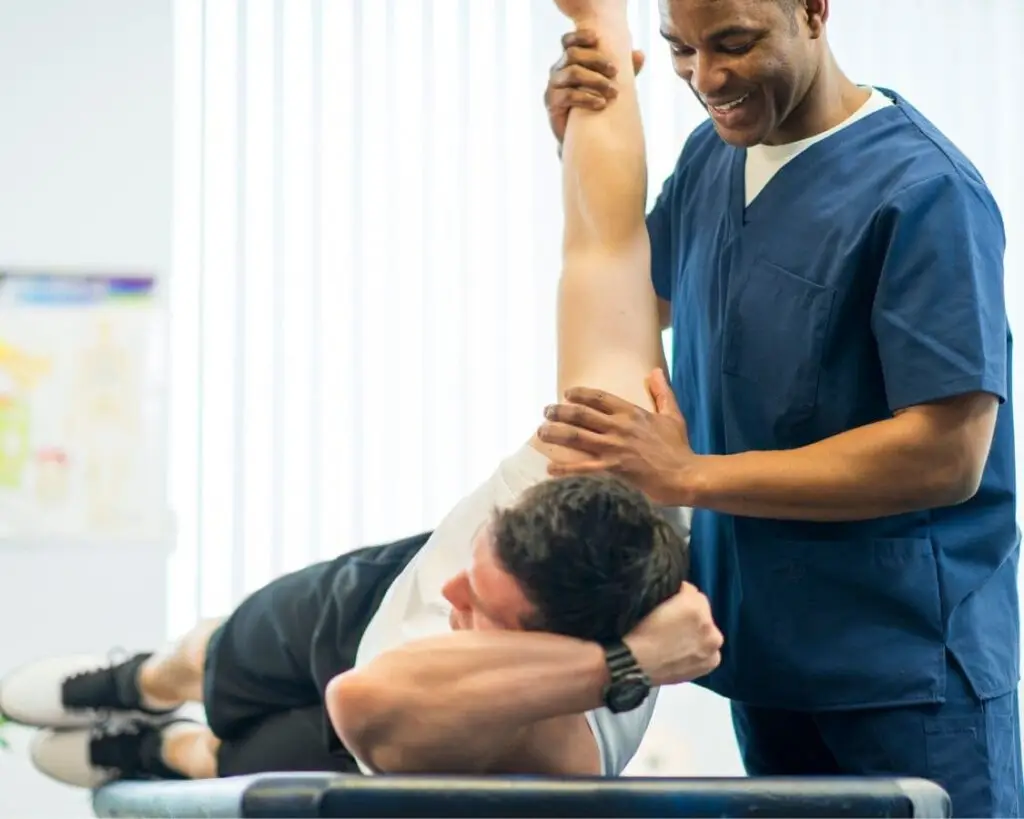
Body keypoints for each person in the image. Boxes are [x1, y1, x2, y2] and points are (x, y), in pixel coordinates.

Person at [0, 0, 722, 788]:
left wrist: (624, 665)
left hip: (389, 721)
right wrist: (603, 29)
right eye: (479, 562)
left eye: (483, 605)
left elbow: (366, 699)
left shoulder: (551, 749)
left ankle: (162, 747)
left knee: (241, 756)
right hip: (374, 596)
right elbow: (604, 238)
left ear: (562, 645)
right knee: (221, 654)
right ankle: (143, 683)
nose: (453, 588)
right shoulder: (604, 456)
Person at [537, 0, 1020, 816]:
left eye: (733, 43)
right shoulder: (713, 161)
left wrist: (690, 474)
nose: (707, 78)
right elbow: (632, 288)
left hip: (902, 672)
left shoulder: (925, 191)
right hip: (765, 657)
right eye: (681, 49)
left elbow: (948, 453)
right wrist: (578, 141)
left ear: (813, 9)